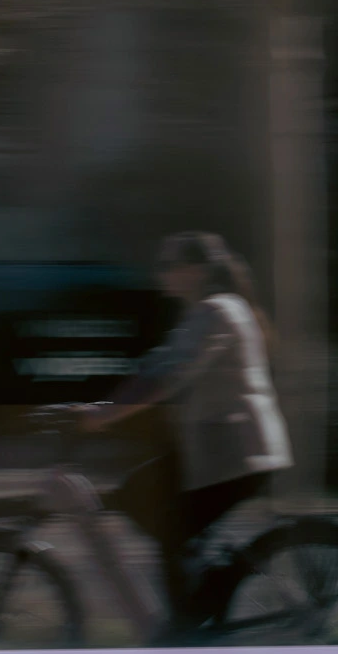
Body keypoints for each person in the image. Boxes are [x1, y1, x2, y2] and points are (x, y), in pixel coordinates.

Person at [83, 232, 294, 631]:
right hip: (213, 452)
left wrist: (105, 414)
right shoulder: (202, 313)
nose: (161, 273)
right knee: (134, 495)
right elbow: (155, 365)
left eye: (168, 265)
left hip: (239, 455)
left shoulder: (219, 311)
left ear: (195, 271)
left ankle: (187, 631)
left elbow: (171, 376)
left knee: (171, 530)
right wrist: (95, 405)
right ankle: (202, 584)